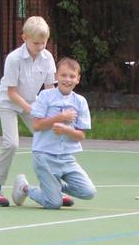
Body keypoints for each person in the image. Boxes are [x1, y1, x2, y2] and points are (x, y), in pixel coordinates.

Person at [0, 16, 56, 206]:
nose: (40, 47)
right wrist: (31, 109)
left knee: (48, 142)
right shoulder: (14, 59)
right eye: (36, 43)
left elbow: (50, 89)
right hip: (9, 102)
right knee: (11, 144)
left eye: (44, 43)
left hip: (32, 103)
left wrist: (50, 113)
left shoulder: (47, 57)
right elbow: (11, 92)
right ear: (24, 37)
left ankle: (54, 189)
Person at [11, 57, 96, 209]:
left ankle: (54, 188)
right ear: (56, 77)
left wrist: (67, 130)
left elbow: (81, 135)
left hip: (67, 158)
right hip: (44, 156)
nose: (67, 79)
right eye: (63, 75)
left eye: (72, 76)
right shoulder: (45, 96)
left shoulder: (80, 102)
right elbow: (36, 125)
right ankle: (25, 188)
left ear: (78, 79)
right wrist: (59, 118)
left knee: (88, 192)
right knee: (53, 203)